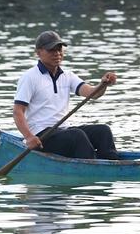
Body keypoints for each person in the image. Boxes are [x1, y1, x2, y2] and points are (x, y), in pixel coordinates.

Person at [12, 30, 120, 160]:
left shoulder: (67, 76)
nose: (57, 54)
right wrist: (29, 137)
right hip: (42, 136)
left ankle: (113, 163)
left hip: (63, 130)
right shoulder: (30, 77)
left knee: (103, 131)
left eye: (59, 49)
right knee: (77, 136)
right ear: (38, 53)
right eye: (51, 50)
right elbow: (18, 111)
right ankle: (91, 168)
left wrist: (103, 84)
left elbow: (92, 94)